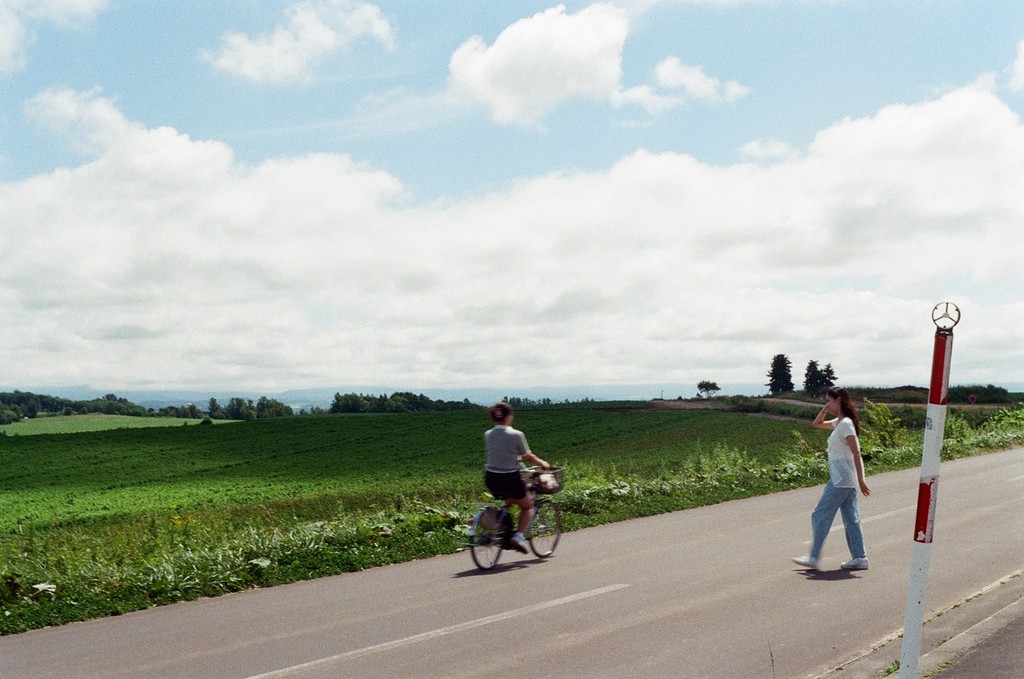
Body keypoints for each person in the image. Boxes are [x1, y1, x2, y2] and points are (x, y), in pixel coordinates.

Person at [792, 387, 872, 571]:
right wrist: (823, 411)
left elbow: (856, 453)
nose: (826, 403)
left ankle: (813, 556)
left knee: (820, 514)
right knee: (851, 519)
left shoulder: (846, 425)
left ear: (839, 400)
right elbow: (816, 424)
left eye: (829, 400)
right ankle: (860, 558)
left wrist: (861, 480)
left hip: (841, 479)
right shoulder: (840, 422)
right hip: (844, 479)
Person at [483, 402, 550, 553]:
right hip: (510, 479)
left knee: (511, 500)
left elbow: (503, 453)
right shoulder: (516, 434)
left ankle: (504, 530)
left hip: (491, 479)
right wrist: (542, 462)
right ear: (509, 416)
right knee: (527, 506)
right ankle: (518, 536)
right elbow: (527, 456)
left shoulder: (488, 434)